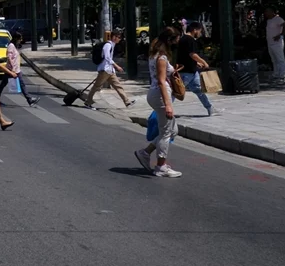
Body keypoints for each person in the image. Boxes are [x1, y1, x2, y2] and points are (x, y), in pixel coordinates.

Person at [134, 27, 182, 178]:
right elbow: (161, 81)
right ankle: (161, 166)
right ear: (169, 40)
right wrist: (168, 104)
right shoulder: (161, 57)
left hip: (157, 94)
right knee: (166, 132)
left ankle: (145, 152)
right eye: (176, 39)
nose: (178, 42)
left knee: (172, 131)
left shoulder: (155, 54)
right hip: (161, 95)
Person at [83, 29, 134, 109]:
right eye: (118, 37)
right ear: (114, 37)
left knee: (118, 86)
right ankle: (88, 102)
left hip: (110, 71)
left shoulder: (112, 45)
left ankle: (127, 102)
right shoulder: (108, 45)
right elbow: (107, 58)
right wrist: (116, 66)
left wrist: (113, 68)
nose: (119, 39)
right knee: (96, 86)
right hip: (105, 70)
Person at [177, 22, 216, 116]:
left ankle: (210, 108)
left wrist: (196, 63)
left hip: (191, 71)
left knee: (199, 90)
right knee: (177, 92)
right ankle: (162, 110)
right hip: (187, 72)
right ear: (195, 30)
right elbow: (192, 54)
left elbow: (186, 55)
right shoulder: (190, 40)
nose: (200, 33)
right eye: (200, 31)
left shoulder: (183, 39)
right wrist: (204, 62)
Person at [0, 31, 39, 106]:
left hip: (16, 70)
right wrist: (12, 68)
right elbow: (9, 57)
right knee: (3, 84)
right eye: (20, 39)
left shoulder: (15, 46)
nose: (21, 40)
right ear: (16, 38)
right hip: (11, 70)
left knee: (21, 84)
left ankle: (29, 100)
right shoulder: (11, 46)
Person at [264, 7, 285, 83]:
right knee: (274, 60)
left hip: (277, 43)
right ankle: (276, 74)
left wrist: (281, 35)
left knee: (280, 59)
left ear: (272, 12)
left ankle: (281, 76)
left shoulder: (278, 19)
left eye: (267, 11)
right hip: (270, 43)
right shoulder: (269, 20)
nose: (266, 13)